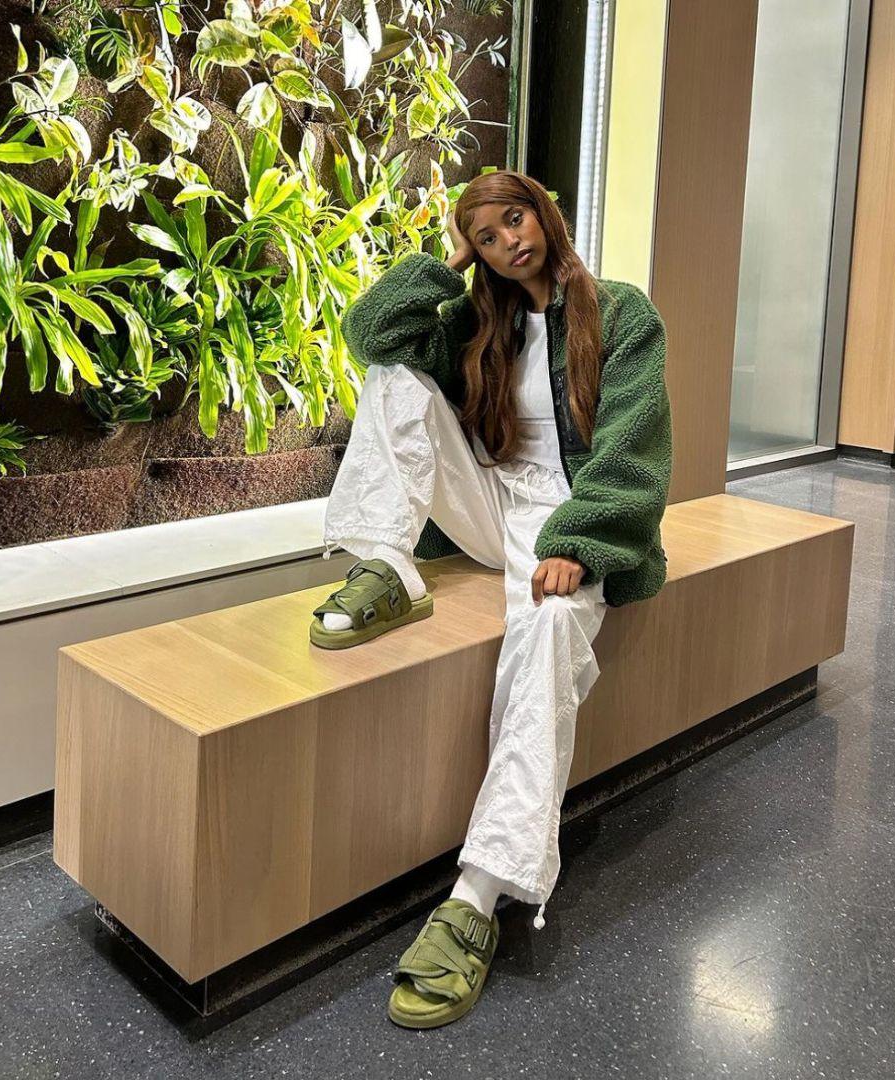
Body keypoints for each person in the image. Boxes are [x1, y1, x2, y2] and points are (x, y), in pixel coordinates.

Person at [311, 169, 673, 1029]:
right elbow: (373, 334)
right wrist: (448, 263)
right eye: (486, 236)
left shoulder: (622, 313)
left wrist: (577, 544)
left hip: (569, 510)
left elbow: (634, 448)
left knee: (548, 631)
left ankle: (476, 897)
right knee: (395, 380)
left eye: (515, 218)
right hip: (491, 497)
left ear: (542, 213)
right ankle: (388, 566)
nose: (510, 240)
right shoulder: (480, 322)